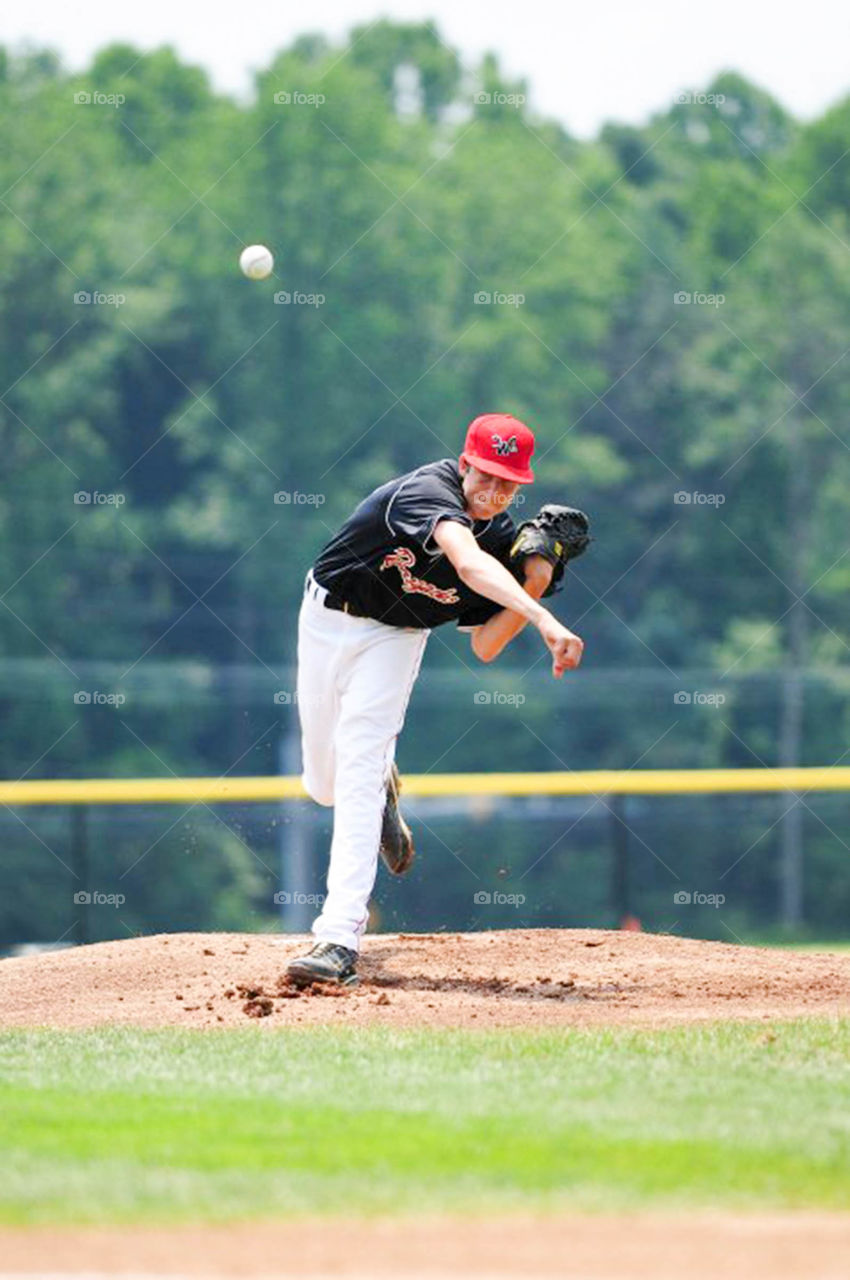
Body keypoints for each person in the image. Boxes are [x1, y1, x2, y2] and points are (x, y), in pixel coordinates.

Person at [286, 413, 584, 988]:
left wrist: (537, 582)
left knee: (356, 772)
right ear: (466, 463)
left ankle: (337, 938)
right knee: (321, 785)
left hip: (397, 640)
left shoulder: (503, 540)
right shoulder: (427, 492)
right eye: (488, 475)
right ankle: (383, 788)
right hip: (328, 617)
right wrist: (546, 621)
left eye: (509, 484)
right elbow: (466, 562)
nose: (495, 492)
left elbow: (488, 645)